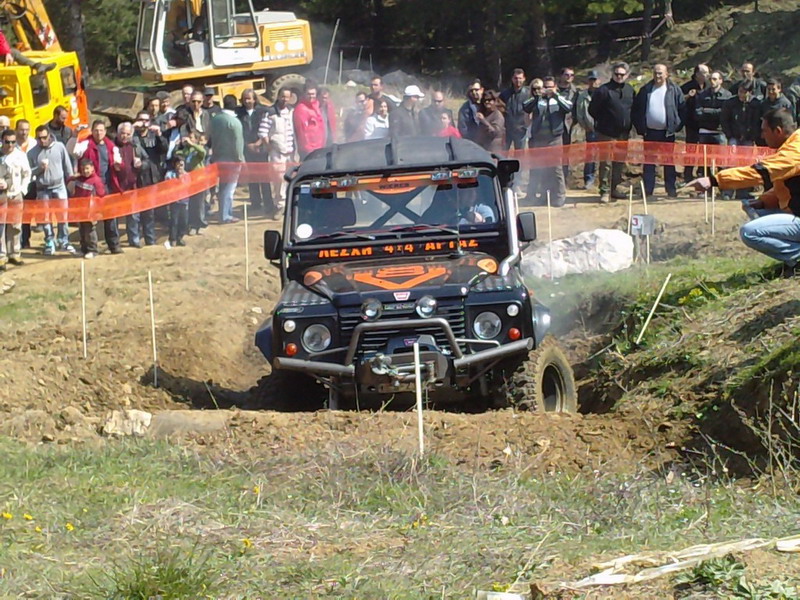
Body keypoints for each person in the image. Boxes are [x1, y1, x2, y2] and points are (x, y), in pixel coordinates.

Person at [687, 109, 800, 276]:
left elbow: (759, 173)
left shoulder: (794, 152)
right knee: (754, 208)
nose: (762, 135)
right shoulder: (794, 145)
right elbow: (787, 186)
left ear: (778, 131)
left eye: (764, 130)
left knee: (750, 233)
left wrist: (714, 180)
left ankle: (796, 259)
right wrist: (764, 201)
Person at [632, 64, 685, 198]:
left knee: (669, 162)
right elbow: (636, 110)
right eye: (655, 73)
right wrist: (640, 127)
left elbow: (682, 109)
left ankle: (671, 189)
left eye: (660, 73)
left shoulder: (674, 89)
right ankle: (648, 190)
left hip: (667, 133)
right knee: (649, 162)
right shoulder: (645, 90)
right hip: (650, 132)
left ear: (666, 74)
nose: (658, 76)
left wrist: (677, 126)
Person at [72, 120, 123, 254]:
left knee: (110, 217)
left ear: (105, 132)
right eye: (96, 130)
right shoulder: (85, 144)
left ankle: (114, 246)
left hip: (107, 186)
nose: (98, 133)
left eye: (101, 130)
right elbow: (73, 151)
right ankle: (88, 248)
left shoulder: (110, 146)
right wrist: (74, 136)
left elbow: (118, 161)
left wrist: (118, 165)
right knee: (87, 219)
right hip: (89, 188)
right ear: (92, 131)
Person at [589, 61, 634, 203]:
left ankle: (614, 189)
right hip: (606, 133)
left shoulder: (630, 90)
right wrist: (604, 122)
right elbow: (592, 110)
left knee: (619, 162)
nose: (619, 76)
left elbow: (634, 109)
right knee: (606, 163)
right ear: (612, 74)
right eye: (617, 74)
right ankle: (604, 191)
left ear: (627, 75)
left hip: (623, 134)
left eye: (622, 74)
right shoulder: (603, 90)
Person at [524, 76, 572, 207]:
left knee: (556, 168)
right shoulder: (538, 99)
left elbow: (568, 107)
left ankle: (560, 195)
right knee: (542, 168)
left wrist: (555, 95)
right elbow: (525, 107)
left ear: (555, 87)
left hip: (555, 139)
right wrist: (537, 96)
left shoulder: (559, 98)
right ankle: (545, 196)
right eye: (546, 87)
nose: (548, 89)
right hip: (539, 139)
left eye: (550, 87)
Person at [28, 126, 74, 255]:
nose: (42, 140)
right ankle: (49, 241)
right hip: (42, 189)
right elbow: (28, 173)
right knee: (45, 217)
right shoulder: (32, 153)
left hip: (59, 186)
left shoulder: (59, 147)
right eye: (39, 138)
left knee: (63, 215)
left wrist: (71, 181)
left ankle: (64, 241)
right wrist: (39, 168)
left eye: (44, 137)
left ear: (49, 136)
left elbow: (67, 165)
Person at [258, 86, 294, 218]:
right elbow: (263, 132)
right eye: (282, 96)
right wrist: (268, 146)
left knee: (291, 179)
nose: (285, 99)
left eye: (287, 97)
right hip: (277, 153)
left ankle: (290, 206)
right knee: (279, 180)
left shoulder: (292, 112)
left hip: (291, 152)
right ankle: (279, 206)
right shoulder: (270, 112)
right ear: (278, 96)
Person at [210, 94, 244, 224]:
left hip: (217, 157)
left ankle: (224, 212)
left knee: (222, 187)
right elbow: (238, 142)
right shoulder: (234, 122)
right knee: (229, 188)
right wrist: (240, 158)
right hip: (232, 160)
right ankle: (225, 215)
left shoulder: (215, 119)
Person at [0, 128, 31, 270]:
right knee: (1, 226)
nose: (10, 145)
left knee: (15, 225)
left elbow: (27, 174)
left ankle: (14, 253)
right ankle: (2, 255)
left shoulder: (20, 155)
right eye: (7, 142)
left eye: (13, 142)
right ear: (2, 141)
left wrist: (23, 190)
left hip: (16, 194)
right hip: (1, 196)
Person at [115, 122, 150, 248]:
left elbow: (147, 161)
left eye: (128, 134)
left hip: (133, 186)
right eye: (122, 133)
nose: (125, 136)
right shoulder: (112, 146)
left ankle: (134, 240)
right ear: (118, 133)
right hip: (116, 187)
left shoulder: (136, 146)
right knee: (115, 216)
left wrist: (141, 164)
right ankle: (115, 242)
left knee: (134, 215)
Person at [237, 88, 271, 212]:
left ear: (254, 99)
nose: (247, 101)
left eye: (249, 98)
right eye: (245, 99)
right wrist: (247, 145)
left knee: (264, 178)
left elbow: (267, 128)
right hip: (247, 149)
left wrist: (259, 142)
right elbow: (238, 131)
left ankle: (268, 204)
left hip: (261, 149)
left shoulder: (263, 111)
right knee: (252, 178)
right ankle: (255, 203)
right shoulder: (239, 112)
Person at [67, 158, 104, 259]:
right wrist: (72, 177)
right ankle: (84, 249)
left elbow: (101, 195)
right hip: (80, 210)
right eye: (83, 169)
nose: (85, 171)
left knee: (90, 230)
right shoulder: (79, 179)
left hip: (90, 211)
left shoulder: (96, 180)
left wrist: (97, 210)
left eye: (87, 168)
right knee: (82, 229)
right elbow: (67, 181)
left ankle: (93, 250)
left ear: (92, 168)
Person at [174, 132, 208, 234]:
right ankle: (192, 224)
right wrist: (177, 145)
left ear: (196, 139)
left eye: (191, 137)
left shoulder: (197, 149)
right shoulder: (187, 150)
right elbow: (177, 154)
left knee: (199, 203)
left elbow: (203, 152)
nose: (189, 139)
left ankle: (200, 224)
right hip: (189, 180)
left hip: (199, 180)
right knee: (192, 203)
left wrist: (193, 144)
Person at [680, 63, 709, 183]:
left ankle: (702, 173)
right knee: (691, 149)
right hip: (691, 123)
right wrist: (688, 96)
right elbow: (678, 100)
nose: (707, 75)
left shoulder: (709, 86)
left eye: (708, 72)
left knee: (704, 150)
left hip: (706, 124)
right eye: (704, 73)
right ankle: (687, 175)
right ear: (697, 74)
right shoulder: (687, 86)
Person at [574, 70, 600, 188]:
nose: (593, 82)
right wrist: (586, 127)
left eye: (594, 79)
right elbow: (579, 114)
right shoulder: (582, 96)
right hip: (590, 130)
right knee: (590, 155)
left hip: (604, 130)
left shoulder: (603, 93)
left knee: (605, 156)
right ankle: (589, 179)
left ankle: (604, 180)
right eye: (591, 80)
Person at [695, 71, 732, 151]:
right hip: (704, 131)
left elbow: (725, 113)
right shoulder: (703, 94)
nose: (712, 81)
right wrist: (716, 112)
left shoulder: (727, 95)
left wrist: (706, 110)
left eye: (715, 79)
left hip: (720, 131)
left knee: (720, 158)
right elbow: (698, 112)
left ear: (720, 80)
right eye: (710, 79)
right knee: (703, 158)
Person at [293, 80, 326, 160]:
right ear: (304, 94)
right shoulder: (301, 109)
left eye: (313, 94)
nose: (311, 96)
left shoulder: (317, 106)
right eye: (308, 94)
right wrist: (308, 150)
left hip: (319, 146)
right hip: (308, 150)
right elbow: (302, 132)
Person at [500, 69, 531, 151]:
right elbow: (500, 109)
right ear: (512, 79)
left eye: (520, 78)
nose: (518, 80)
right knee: (504, 152)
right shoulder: (505, 94)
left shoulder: (528, 94)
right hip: (507, 129)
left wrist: (525, 126)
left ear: (524, 79)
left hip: (521, 129)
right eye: (516, 78)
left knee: (520, 154)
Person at [164, 156, 190, 247]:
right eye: (178, 164)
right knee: (174, 221)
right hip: (174, 201)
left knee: (184, 221)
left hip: (184, 201)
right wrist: (177, 178)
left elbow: (188, 186)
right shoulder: (169, 174)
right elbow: (168, 186)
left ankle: (180, 237)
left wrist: (182, 177)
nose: (180, 167)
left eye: (182, 164)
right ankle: (173, 239)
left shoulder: (187, 175)